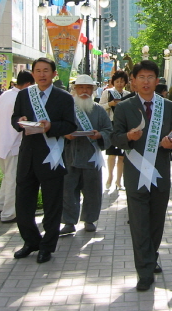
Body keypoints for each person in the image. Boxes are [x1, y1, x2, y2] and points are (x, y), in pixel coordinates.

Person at [112, 60, 172, 291]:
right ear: (133, 80)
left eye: (150, 77)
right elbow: (114, 138)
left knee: (156, 221)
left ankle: (151, 255)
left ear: (157, 80)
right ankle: (144, 270)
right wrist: (127, 138)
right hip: (135, 172)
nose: (146, 81)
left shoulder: (168, 106)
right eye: (141, 77)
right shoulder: (123, 107)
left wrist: (171, 143)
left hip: (160, 170)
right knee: (139, 222)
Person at [11, 57, 77, 264]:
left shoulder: (64, 98)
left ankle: (47, 246)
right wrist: (18, 122)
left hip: (52, 157)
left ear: (53, 73)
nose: (41, 74)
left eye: (46, 70)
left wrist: (51, 127)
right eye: (38, 70)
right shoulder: (24, 95)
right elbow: (15, 118)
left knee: (52, 206)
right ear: (32, 73)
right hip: (28, 156)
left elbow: (70, 126)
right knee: (23, 205)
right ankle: (31, 241)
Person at [60, 75, 113, 235]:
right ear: (74, 89)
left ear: (93, 90)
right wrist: (65, 134)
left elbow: (109, 131)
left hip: (91, 157)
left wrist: (99, 135)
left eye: (88, 88)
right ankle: (69, 222)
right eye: (81, 87)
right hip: (69, 155)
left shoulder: (99, 110)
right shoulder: (66, 108)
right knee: (68, 191)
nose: (84, 91)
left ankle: (90, 220)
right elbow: (57, 127)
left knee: (92, 191)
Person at [0, 70, 35, 223]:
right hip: (12, 144)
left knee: (8, 177)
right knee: (14, 180)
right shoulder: (21, 97)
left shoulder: (6, 94)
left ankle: (0, 205)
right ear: (27, 84)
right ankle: (8, 213)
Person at [99, 70, 131, 190]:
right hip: (111, 125)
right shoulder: (107, 92)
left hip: (123, 127)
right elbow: (100, 107)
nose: (119, 84)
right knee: (112, 154)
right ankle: (110, 177)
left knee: (122, 156)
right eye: (117, 81)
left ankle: (119, 181)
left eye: (122, 81)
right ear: (113, 82)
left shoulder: (127, 94)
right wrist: (110, 104)